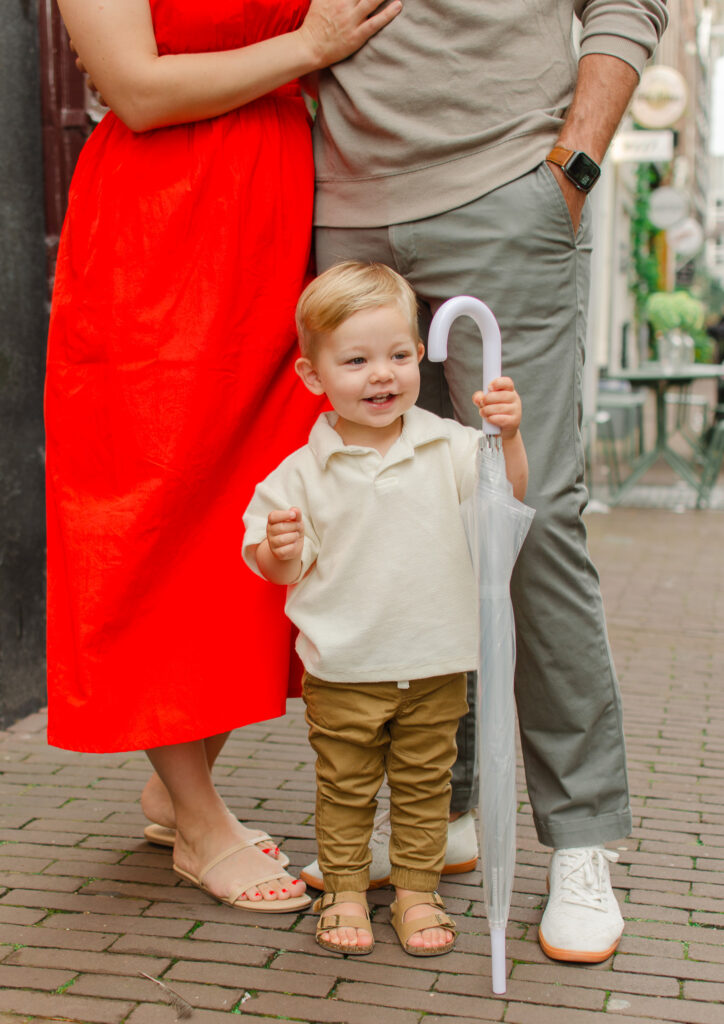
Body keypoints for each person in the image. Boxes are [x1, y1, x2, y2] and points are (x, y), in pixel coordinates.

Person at [302, 0, 669, 961]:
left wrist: (573, 168)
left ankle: (582, 838)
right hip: (344, 210)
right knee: (398, 524)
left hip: (507, 186)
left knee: (527, 521)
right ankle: (443, 816)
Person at [45, 0, 401, 912]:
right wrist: (308, 47)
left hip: (277, 218)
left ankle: (178, 782)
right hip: (159, 228)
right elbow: (136, 91)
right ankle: (201, 826)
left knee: (266, 511)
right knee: (157, 507)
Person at [241, 261, 528, 954]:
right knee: (345, 787)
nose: (382, 375)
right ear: (314, 377)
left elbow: (503, 504)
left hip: (436, 661)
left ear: (421, 358)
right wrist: (281, 547)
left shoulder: (452, 446)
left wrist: (509, 437)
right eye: (358, 360)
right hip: (345, 666)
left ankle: (416, 892)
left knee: (425, 788)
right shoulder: (300, 474)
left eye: (399, 355)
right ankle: (342, 890)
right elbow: (280, 566)